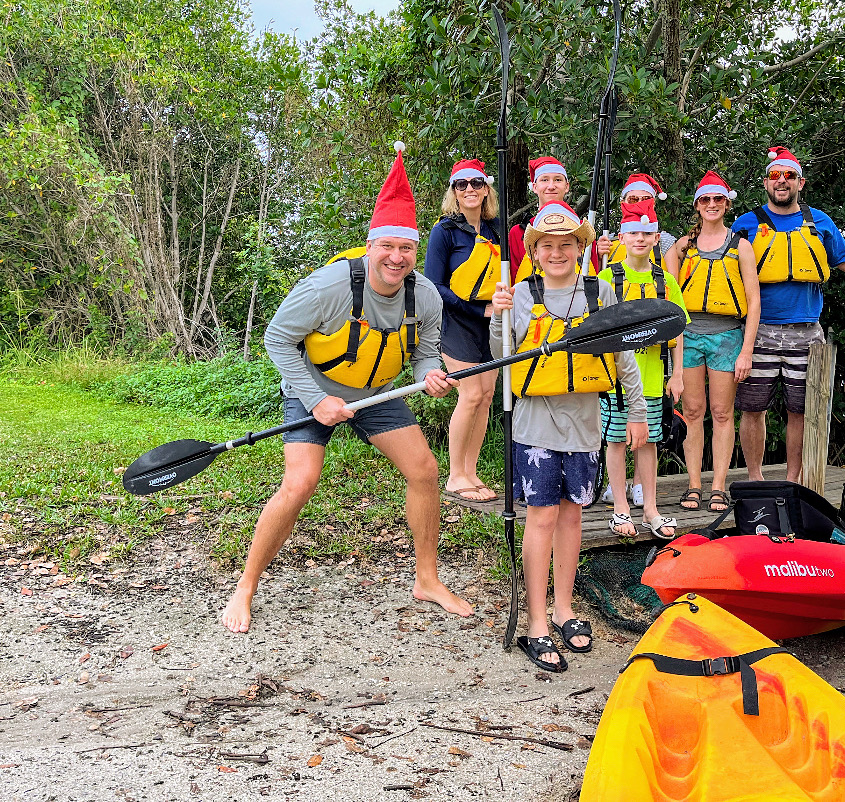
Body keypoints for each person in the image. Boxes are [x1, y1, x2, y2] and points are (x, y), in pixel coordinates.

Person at [222, 144, 472, 633]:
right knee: (300, 483)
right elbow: (276, 338)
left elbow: (424, 352)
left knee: (424, 469)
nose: (396, 258)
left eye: (406, 249)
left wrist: (430, 377)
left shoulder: (425, 295)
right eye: (387, 247)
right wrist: (316, 400)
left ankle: (427, 579)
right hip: (313, 386)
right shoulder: (328, 286)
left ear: (414, 252)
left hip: (375, 393)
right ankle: (246, 586)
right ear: (370, 245)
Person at [490, 201, 646, 672]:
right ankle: (537, 622)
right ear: (534, 251)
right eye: (548, 246)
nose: (558, 253)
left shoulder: (600, 292)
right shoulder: (517, 295)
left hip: (584, 425)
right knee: (540, 519)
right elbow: (500, 356)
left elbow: (624, 357)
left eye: (567, 244)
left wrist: (637, 412)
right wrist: (497, 316)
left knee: (572, 518)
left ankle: (564, 610)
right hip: (535, 425)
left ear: (580, 246)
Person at [731, 146, 845, 482]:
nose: (782, 181)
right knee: (752, 408)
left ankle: (793, 479)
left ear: (801, 183)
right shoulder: (745, 224)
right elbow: (718, 266)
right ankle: (755, 478)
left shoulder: (820, 222)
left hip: (807, 332)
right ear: (765, 182)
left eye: (789, 176)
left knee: (800, 411)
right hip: (758, 332)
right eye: (776, 176)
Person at [667, 171, 761, 514]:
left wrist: (746, 350)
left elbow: (754, 302)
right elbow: (670, 303)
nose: (711, 205)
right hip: (688, 334)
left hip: (727, 336)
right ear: (696, 205)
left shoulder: (741, 246)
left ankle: (718, 485)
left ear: (727, 203)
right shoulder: (681, 247)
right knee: (693, 412)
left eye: (718, 199)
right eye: (705, 199)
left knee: (722, 413)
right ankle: (694, 484)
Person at [598, 196, 689, 540]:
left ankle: (650, 507)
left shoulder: (666, 281)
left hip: (654, 376)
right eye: (633, 232)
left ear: (655, 238)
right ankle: (620, 505)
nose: (639, 239)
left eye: (646, 234)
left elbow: (678, 331)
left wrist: (678, 374)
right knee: (618, 440)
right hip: (617, 381)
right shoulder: (607, 278)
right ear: (622, 237)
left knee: (649, 441)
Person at [423, 159, 501, 502]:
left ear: (486, 188)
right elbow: (432, 285)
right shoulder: (444, 231)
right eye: (461, 184)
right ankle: (455, 475)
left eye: (476, 183)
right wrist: (477, 309)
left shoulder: (495, 228)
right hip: (457, 321)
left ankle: (471, 471)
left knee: (485, 399)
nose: (470, 189)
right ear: (453, 191)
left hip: (494, 324)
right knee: (470, 396)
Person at [508, 156, 610, 282]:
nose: (551, 186)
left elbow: (593, 278)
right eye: (544, 180)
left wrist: (600, 259)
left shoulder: (582, 231)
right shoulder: (518, 233)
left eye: (557, 180)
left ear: (567, 186)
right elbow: (513, 283)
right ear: (534, 187)